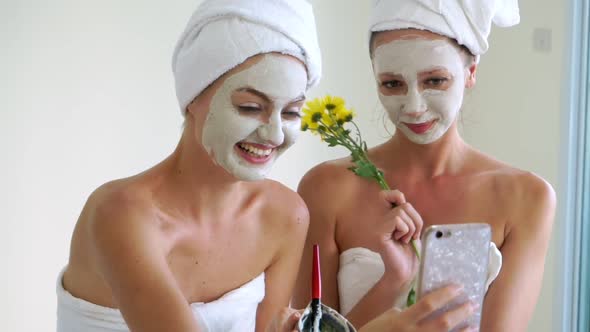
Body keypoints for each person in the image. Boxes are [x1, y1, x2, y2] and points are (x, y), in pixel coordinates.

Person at [56, 0, 322, 331]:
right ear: (192, 98)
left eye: (292, 112)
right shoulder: (120, 213)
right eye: (251, 107)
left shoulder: (285, 215)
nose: (274, 133)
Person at [293, 0, 556, 331]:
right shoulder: (325, 188)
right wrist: (393, 280)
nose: (414, 107)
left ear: (470, 72)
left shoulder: (526, 198)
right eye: (392, 84)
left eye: (435, 81)